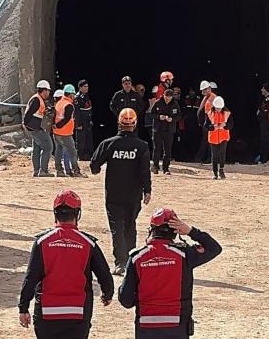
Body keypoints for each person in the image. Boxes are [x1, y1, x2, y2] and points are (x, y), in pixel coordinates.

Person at [18, 190, 115, 339]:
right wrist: (107, 294)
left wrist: (23, 308)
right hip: (77, 314)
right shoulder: (89, 243)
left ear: (55, 213)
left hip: (46, 315)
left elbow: (31, 277)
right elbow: (105, 275)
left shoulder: (42, 242)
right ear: (77, 214)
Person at [118, 208, 222, 339]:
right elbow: (214, 248)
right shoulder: (184, 255)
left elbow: (125, 300)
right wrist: (191, 231)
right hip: (176, 331)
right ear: (175, 231)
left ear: (151, 229)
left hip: (146, 333)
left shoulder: (137, 257)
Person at [90, 108, 152, 275]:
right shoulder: (142, 146)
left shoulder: (109, 144)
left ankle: (121, 263)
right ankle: (131, 261)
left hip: (114, 195)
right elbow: (145, 171)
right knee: (130, 227)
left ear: (119, 122)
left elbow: (94, 165)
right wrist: (148, 191)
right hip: (133, 196)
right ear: (135, 123)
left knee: (117, 228)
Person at [25, 80, 55, 177]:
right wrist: (26, 124)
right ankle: (43, 171)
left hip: (34, 127)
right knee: (48, 147)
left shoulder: (38, 99)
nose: (49, 93)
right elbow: (29, 114)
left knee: (37, 149)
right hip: (35, 128)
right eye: (48, 91)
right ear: (44, 90)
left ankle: (37, 170)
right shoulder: (37, 100)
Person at [54, 85, 84, 177]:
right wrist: (59, 126)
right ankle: (76, 171)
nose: (74, 96)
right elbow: (66, 119)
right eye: (73, 95)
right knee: (72, 152)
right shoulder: (68, 105)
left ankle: (59, 170)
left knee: (58, 151)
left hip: (56, 133)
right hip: (65, 133)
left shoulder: (59, 103)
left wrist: (55, 126)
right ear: (70, 95)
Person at [151, 88, 181, 175]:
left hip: (169, 130)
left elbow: (179, 115)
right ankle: (155, 167)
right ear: (163, 95)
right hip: (158, 129)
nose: (167, 99)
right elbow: (151, 114)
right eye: (166, 97)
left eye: (169, 98)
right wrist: (159, 117)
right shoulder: (157, 102)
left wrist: (172, 119)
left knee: (167, 150)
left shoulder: (175, 104)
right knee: (157, 149)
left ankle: (166, 168)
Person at [205, 96, 233, 180]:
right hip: (213, 137)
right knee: (214, 155)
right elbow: (206, 125)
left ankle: (221, 169)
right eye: (217, 108)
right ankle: (215, 173)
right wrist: (213, 127)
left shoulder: (227, 113)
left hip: (224, 136)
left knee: (222, 154)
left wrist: (225, 126)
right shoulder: (210, 113)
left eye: (220, 108)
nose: (218, 109)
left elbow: (231, 124)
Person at [194, 81, 216, 164]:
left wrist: (209, 123)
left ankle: (210, 158)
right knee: (206, 140)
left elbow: (210, 112)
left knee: (210, 140)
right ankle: (205, 158)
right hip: (205, 122)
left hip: (209, 122)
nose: (203, 91)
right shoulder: (206, 97)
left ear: (209, 89)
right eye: (202, 90)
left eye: (205, 89)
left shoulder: (212, 97)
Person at [74, 80, 94, 160]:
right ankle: (81, 157)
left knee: (89, 141)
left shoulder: (86, 96)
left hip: (87, 122)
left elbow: (88, 109)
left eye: (87, 86)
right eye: (85, 86)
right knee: (81, 141)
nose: (87, 88)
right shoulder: (77, 98)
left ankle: (88, 156)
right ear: (80, 87)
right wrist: (78, 124)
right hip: (81, 123)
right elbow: (77, 112)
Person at [256, 83, 269, 164]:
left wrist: (261, 112)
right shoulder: (265, 99)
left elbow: (267, 111)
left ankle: (266, 158)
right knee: (264, 140)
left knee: (267, 140)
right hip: (263, 122)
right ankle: (264, 157)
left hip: (267, 122)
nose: (261, 90)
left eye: (263, 88)